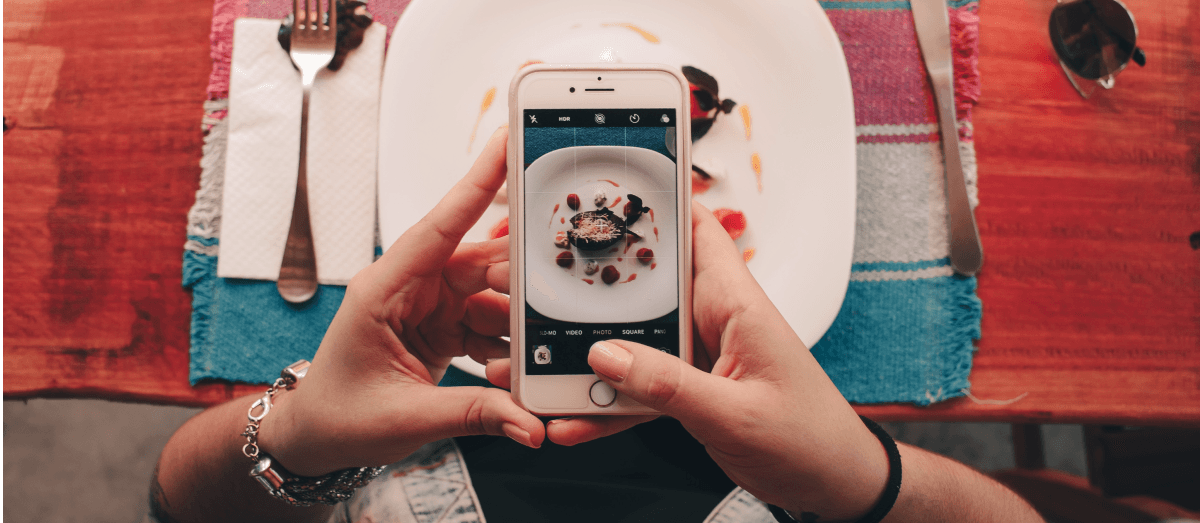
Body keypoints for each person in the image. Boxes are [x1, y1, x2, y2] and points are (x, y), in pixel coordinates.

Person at [149, 128, 1043, 523]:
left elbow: (180, 503)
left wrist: (302, 435)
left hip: (427, 421)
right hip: (755, 448)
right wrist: (861, 477)